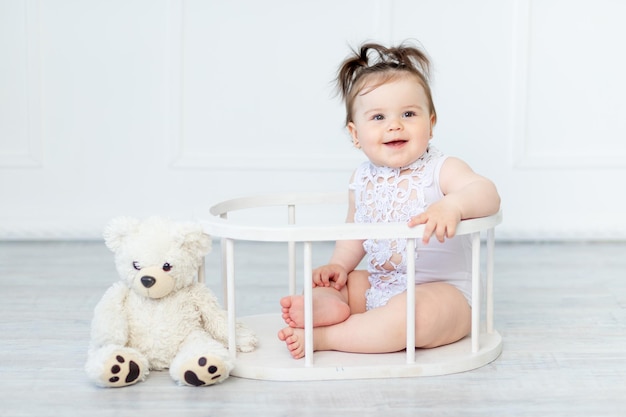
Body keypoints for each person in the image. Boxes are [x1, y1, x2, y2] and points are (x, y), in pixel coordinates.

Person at [278, 41, 501, 359]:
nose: (395, 124)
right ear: (355, 134)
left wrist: (454, 205)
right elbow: (355, 232)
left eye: (409, 113)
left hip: (443, 293)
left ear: (431, 123)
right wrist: (339, 266)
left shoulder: (442, 169)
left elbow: (486, 192)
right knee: (334, 285)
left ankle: (329, 336)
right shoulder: (361, 178)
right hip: (380, 283)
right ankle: (328, 307)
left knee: (412, 313)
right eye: (378, 117)